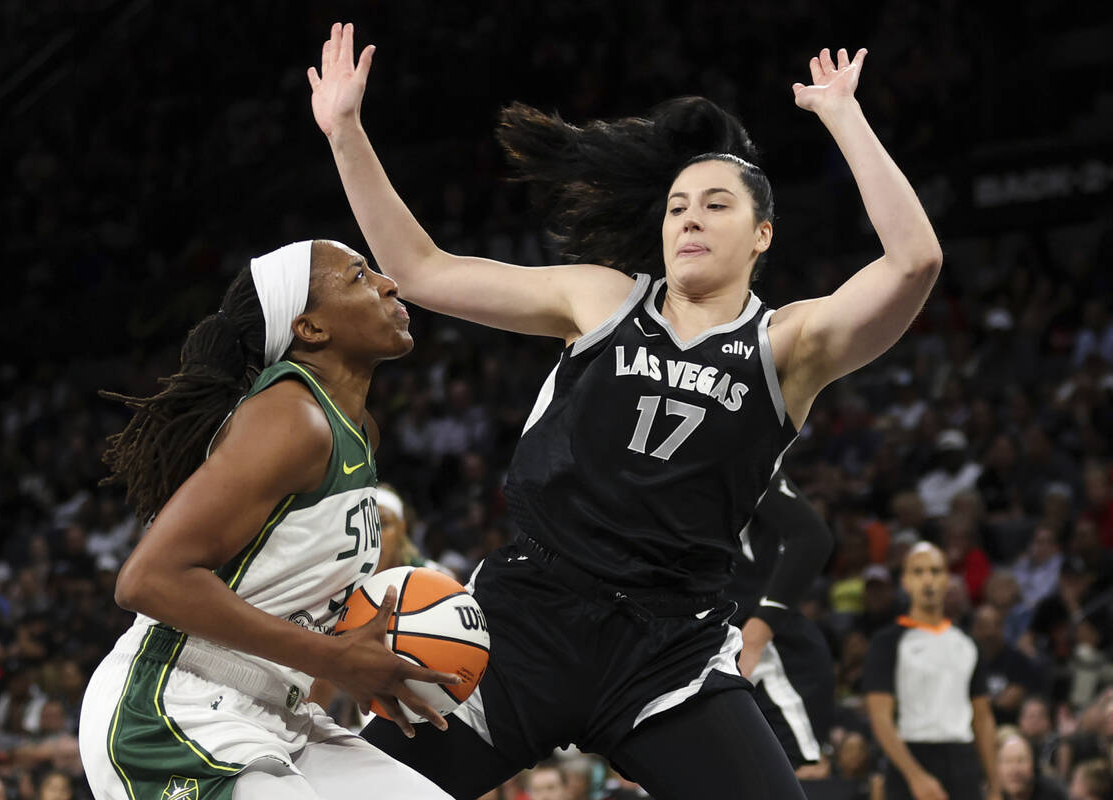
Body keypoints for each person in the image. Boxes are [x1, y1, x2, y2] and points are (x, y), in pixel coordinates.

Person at [310, 22, 942, 800]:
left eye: (716, 205)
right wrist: (345, 132)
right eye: (678, 206)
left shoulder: (789, 342)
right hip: (526, 620)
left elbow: (915, 262)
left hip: (668, 649)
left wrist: (843, 115)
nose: (690, 219)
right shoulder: (604, 298)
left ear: (762, 234)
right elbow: (421, 268)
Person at [77, 240, 462, 799]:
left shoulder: (359, 433)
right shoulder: (292, 416)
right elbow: (147, 580)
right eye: (359, 276)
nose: (389, 284)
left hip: (278, 709)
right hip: (169, 709)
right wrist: (334, 658)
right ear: (310, 328)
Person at [863, 542, 999, 800]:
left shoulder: (967, 643)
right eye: (918, 571)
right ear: (905, 581)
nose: (928, 580)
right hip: (912, 754)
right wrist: (915, 776)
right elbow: (880, 717)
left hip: (963, 759)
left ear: (947, 579)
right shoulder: (887, 642)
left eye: (935, 571)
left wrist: (994, 786)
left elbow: (983, 718)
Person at [730, 471, 836, 770]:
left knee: (789, 776)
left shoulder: (727, 445)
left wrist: (756, 635)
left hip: (770, 662)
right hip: (703, 656)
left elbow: (813, 537)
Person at [993, 727, 1066, 800]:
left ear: (1034, 765)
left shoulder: (1053, 793)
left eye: (1021, 761)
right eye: (1007, 761)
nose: (1014, 770)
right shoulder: (990, 794)